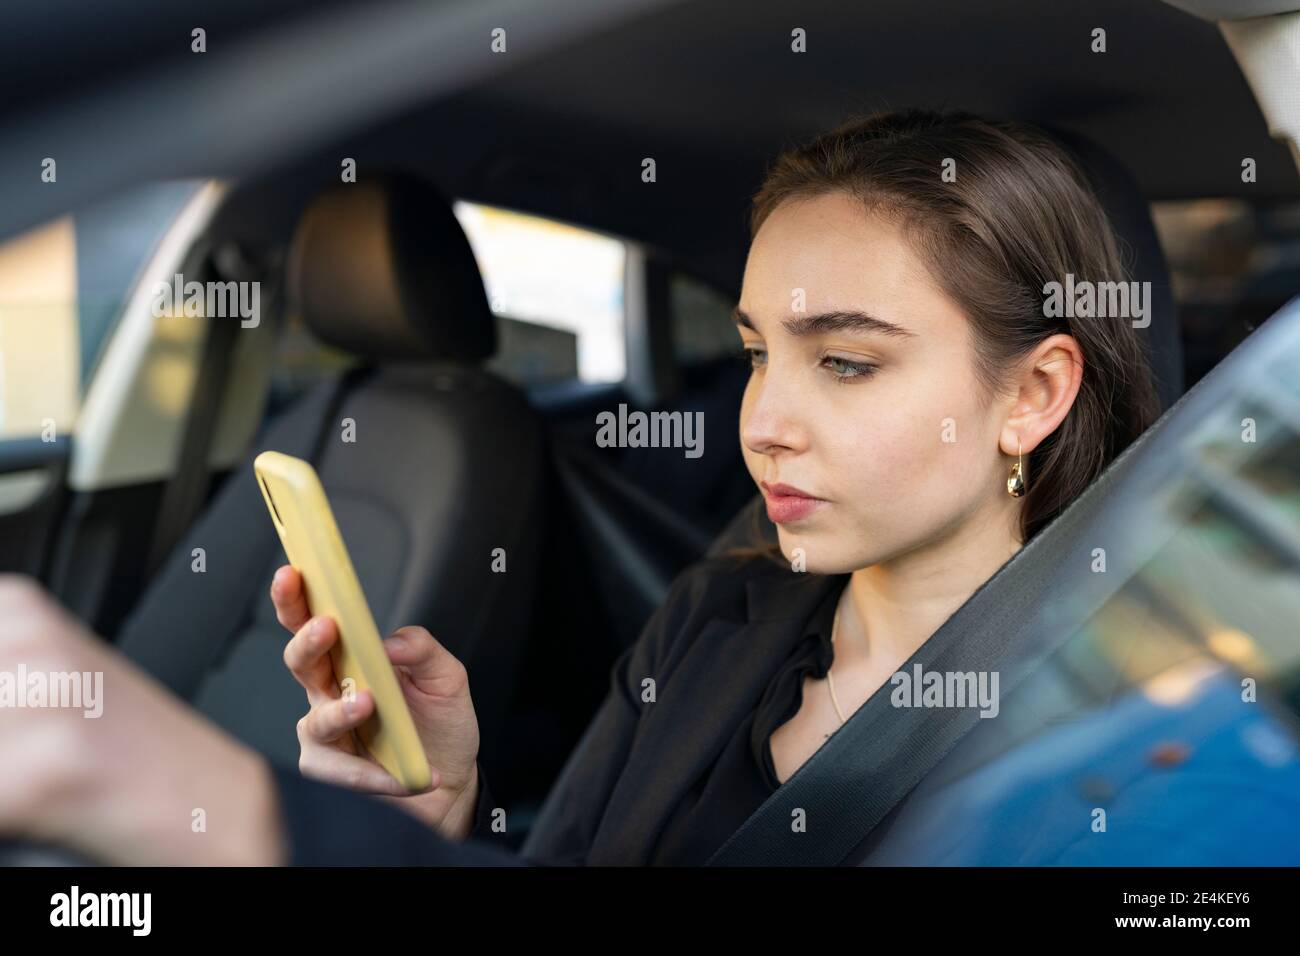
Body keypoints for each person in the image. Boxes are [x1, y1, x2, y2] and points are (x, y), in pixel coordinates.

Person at [0, 109, 1158, 865]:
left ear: (1032, 394)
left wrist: (247, 819)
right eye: (755, 352)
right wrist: (444, 810)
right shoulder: (717, 613)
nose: (762, 420)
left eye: (845, 362)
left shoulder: (1130, 742)